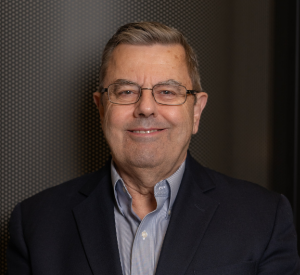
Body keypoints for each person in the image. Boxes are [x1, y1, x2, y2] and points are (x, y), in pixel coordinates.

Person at [7, 22, 299, 275]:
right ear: (101, 109)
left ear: (196, 111)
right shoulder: (36, 225)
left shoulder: (263, 218)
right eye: (126, 91)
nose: (146, 107)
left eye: (168, 92)